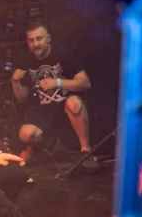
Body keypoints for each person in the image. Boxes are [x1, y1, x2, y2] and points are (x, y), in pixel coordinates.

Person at [11, 19, 92, 159]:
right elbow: (21, 98)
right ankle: (48, 147)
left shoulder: (62, 54)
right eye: (31, 40)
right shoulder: (25, 59)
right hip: (42, 109)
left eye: (39, 39)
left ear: (48, 38)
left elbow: (85, 83)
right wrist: (15, 82)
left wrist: (58, 82)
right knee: (25, 134)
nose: (35, 44)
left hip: (65, 104)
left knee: (74, 103)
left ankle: (86, 151)